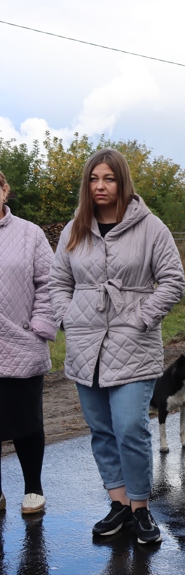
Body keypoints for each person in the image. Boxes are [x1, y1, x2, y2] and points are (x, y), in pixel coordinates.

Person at [49, 148, 185, 545]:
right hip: (85, 346)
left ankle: (141, 508)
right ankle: (119, 503)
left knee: (130, 429)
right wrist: (68, 317)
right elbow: (58, 282)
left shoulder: (150, 227)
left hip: (134, 345)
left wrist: (141, 318)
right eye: (93, 179)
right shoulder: (75, 228)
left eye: (108, 179)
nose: (100, 186)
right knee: (102, 430)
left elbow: (173, 281)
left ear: (122, 181)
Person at [0, 170, 57, 515]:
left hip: (22, 340)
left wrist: (39, 326)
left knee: (26, 420)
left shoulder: (30, 233)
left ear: (4, 189)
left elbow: (49, 283)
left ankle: (33, 488)